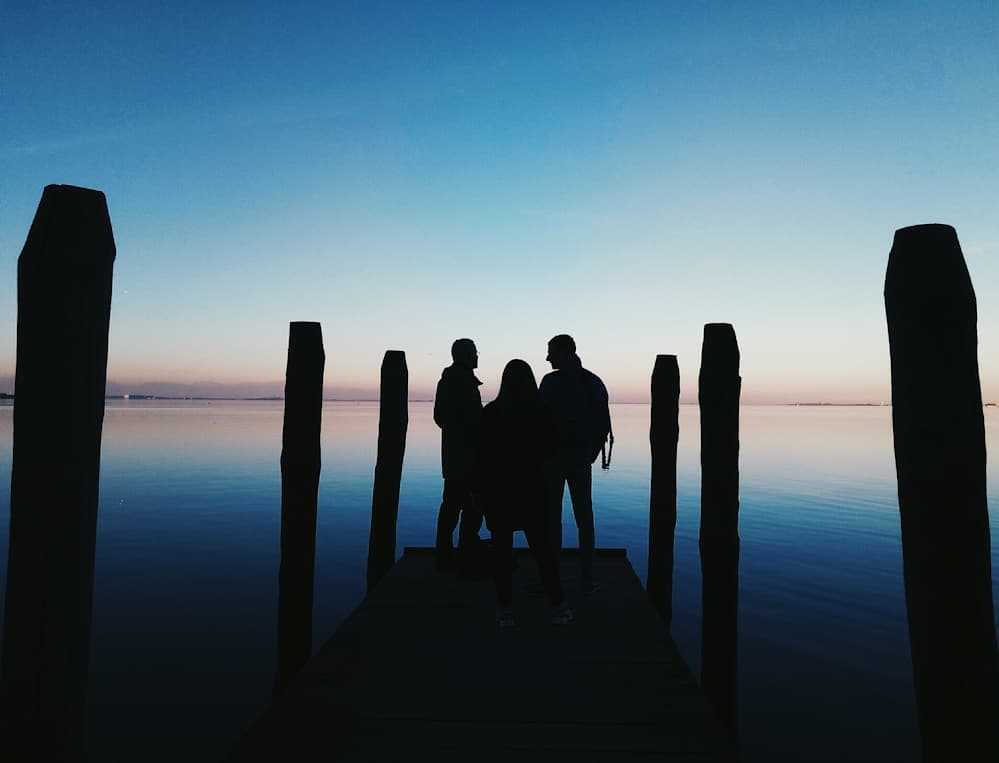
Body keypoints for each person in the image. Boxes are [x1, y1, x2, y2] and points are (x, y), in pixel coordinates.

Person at [476, 359, 572, 627]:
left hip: (499, 491)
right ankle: (559, 605)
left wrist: (478, 492)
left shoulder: (492, 413)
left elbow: (481, 457)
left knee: (502, 553)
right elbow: (553, 448)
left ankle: (504, 608)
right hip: (533, 490)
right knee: (543, 551)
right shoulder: (541, 412)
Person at [539, 334, 610, 593]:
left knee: (551, 519)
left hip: (555, 460)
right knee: (584, 518)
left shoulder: (550, 383)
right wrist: (588, 454)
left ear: (563, 352)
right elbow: (603, 424)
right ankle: (587, 577)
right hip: (580, 459)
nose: (547, 358)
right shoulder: (593, 382)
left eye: (551, 352)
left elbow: (540, 421)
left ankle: (552, 577)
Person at [433, 338, 485, 572]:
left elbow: (440, 418)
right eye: (474, 352)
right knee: (469, 507)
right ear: (464, 356)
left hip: (456, 457)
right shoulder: (460, 382)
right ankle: (462, 552)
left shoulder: (450, 381)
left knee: (454, 506)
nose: (477, 356)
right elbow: (467, 421)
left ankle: (448, 552)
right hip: (466, 458)